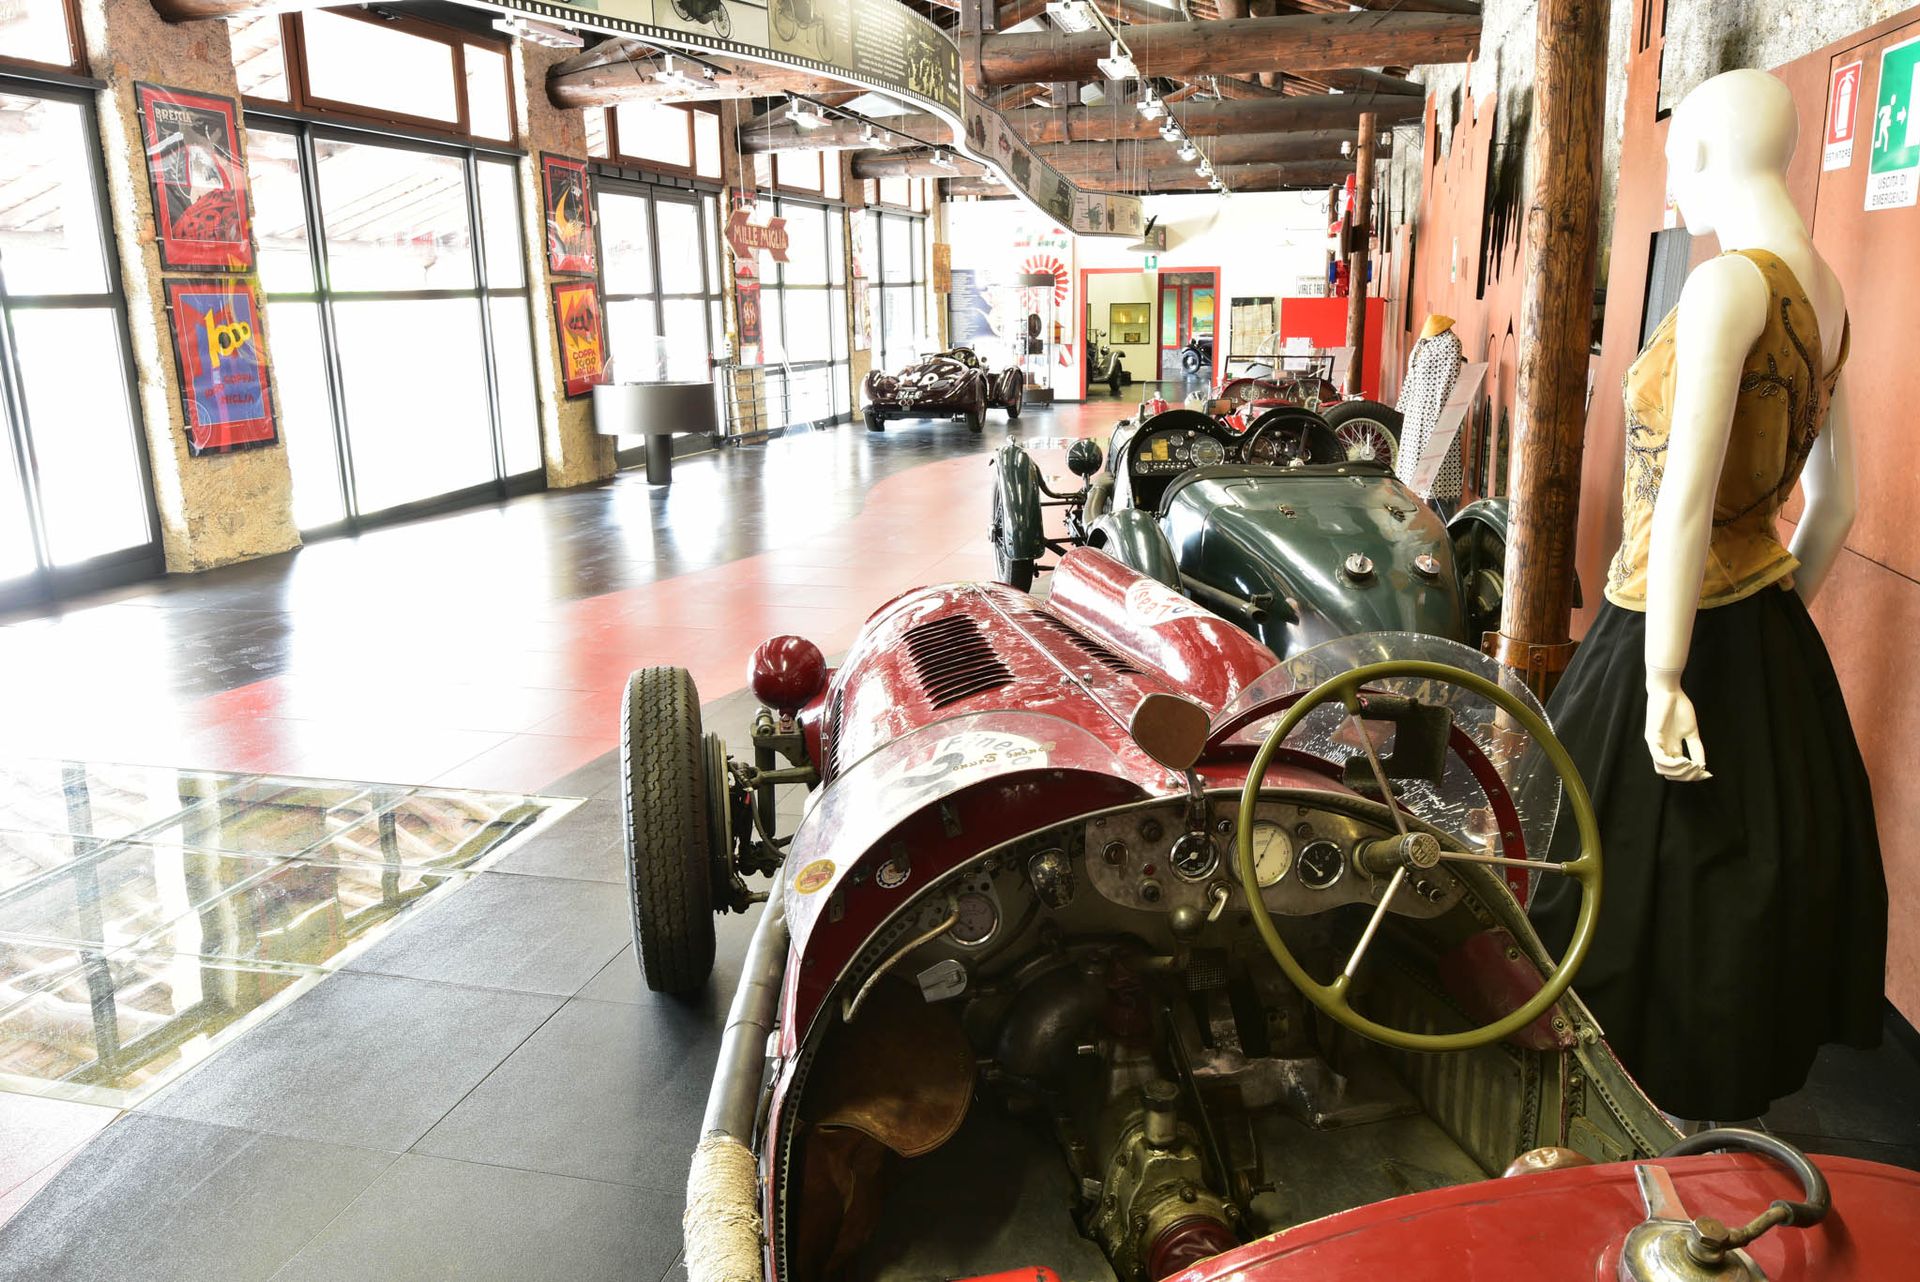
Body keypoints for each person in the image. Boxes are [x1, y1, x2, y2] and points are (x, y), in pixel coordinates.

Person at [1530, 70, 1887, 1124]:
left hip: (1663, 623)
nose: (1674, 176)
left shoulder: (1730, 287)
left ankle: (1622, 1131)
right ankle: (1716, 1135)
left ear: (1702, 155)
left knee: (1608, 875)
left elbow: (1683, 504)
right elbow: (1837, 505)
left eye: (1678, 152)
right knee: (1736, 897)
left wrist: (1667, 675)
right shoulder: (1824, 296)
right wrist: (1775, 631)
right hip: (1766, 624)